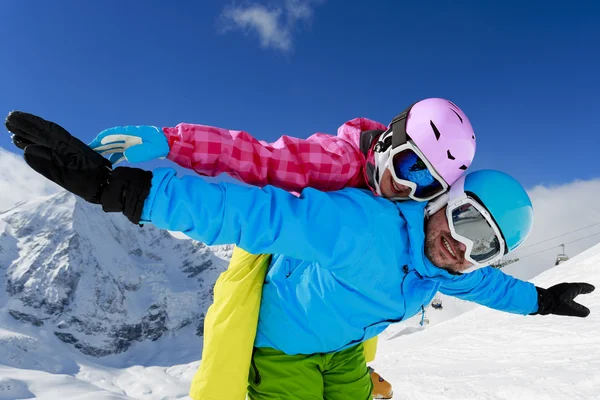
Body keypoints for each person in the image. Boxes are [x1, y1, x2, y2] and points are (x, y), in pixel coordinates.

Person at [6, 111, 594, 400]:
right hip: (284, 354)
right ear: (449, 202)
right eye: (465, 224)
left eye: (483, 247)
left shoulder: (448, 267)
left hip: (340, 356)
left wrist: (541, 300)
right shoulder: (358, 225)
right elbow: (250, 211)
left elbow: (491, 288)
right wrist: (125, 190)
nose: (460, 247)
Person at [87, 98, 476, 399]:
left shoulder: (406, 206)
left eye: (428, 185)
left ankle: (347, 369)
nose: (408, 189)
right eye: (412, 168)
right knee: (238, 319)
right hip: (282, 256)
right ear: (392, 140)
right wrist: (172, 142)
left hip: (341, 290)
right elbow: (257, 157)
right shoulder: (337, 163)